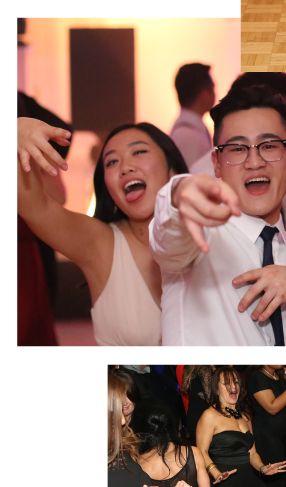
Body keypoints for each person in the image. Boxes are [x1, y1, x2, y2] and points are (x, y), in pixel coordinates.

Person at [148, 83, 286, 346]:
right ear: (216, 164)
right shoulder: (199, 236)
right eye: (237, 149)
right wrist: (178, 194)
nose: (254, 161)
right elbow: (168, 236)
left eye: (269, 145)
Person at [18, 117, 190, 346]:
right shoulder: (101, 243)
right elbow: (35, 207)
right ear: (109, 190)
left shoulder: (211, 234)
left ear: (173, 170)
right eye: (112, 162)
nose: (125, 167)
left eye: (138, 152)